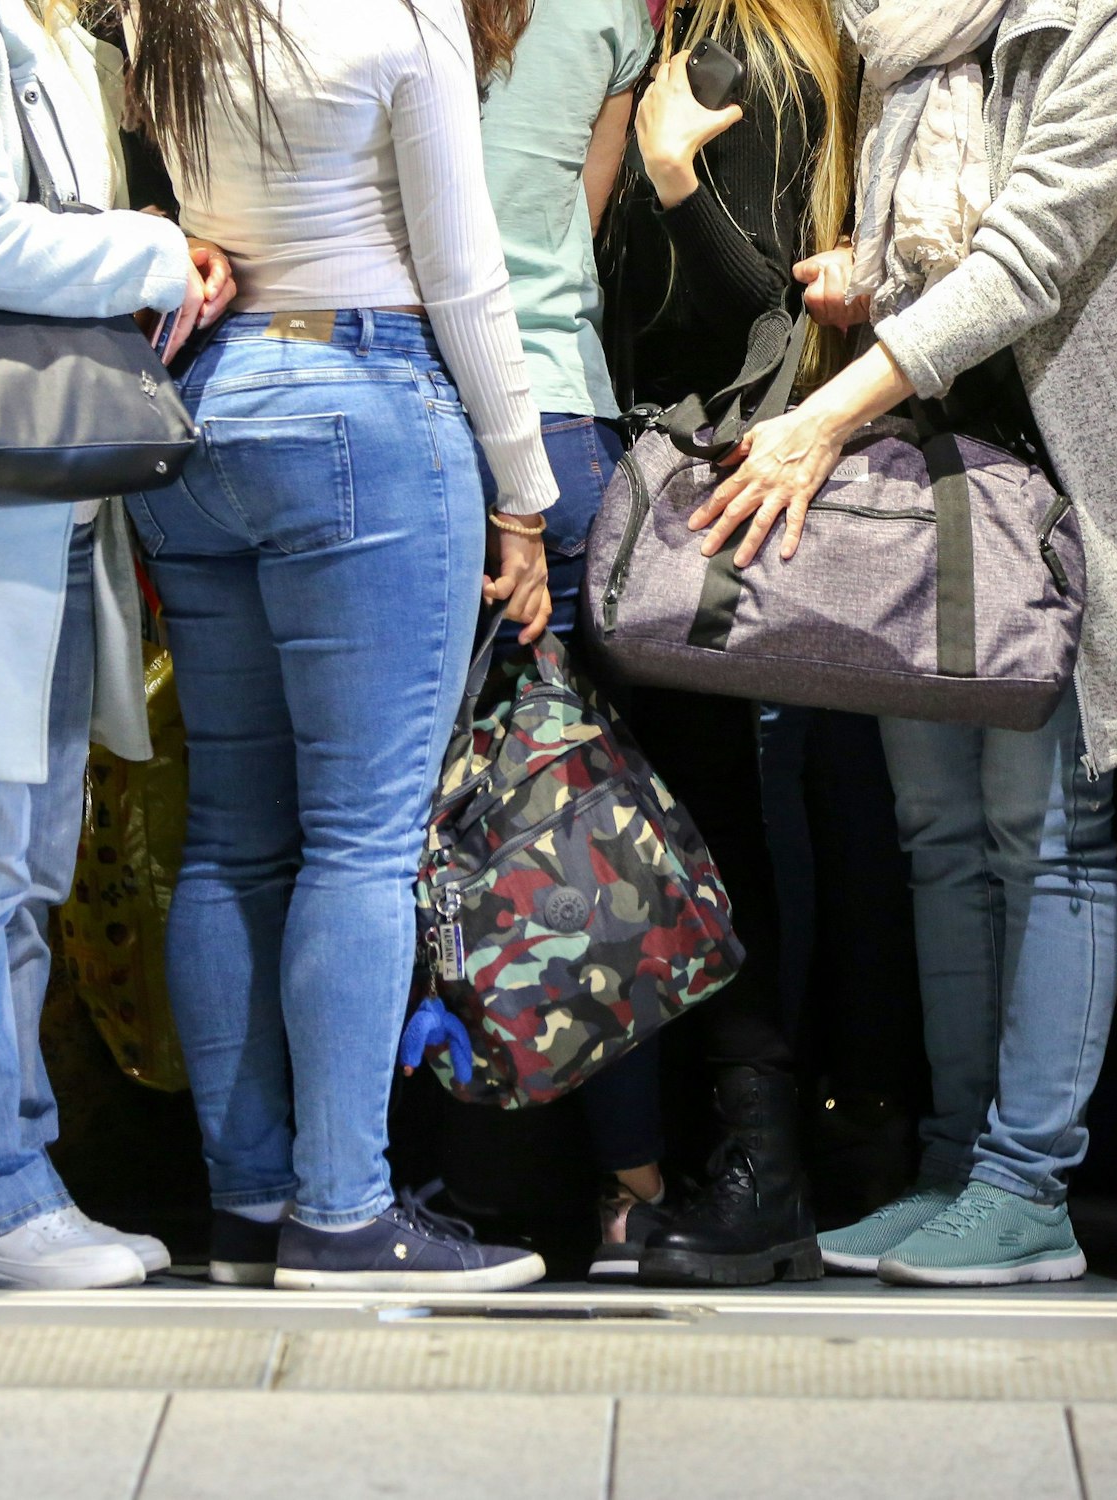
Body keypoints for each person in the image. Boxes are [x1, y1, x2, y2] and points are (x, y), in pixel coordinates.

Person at [713, 0, 1117, 1285]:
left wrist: (824, 414)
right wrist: (866, 276)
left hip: (1056, 483)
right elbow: (921, 253)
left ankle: (1025, 1184)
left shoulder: (1115, 14)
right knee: (936, 836)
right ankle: (951, 1165)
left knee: (1044, 833)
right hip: (928, 476)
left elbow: (1027, 259)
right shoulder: (908, 31)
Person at [124, 0, 556, 1292]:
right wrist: (523, 490)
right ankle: (345, 1213)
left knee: (230, 837)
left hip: (203, 412)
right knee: (362, 840)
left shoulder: (168, 18)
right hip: (359, 410)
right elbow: (464, 275)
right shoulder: (399, 19)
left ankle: (249, 1205)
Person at [0, 0, 235, 1289]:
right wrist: (152, 256)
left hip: (48, 507)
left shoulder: (54, 33)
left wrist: (156, 253)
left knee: (19, 861)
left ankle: (15, 1181)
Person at [603, 0, 852, 1288]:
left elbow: (758, 303)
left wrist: (661, 176)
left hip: (696, 485)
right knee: (717, 819)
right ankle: (735, 1158)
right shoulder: (694, 38)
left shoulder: (732, 51)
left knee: (710, 822)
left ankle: (754, 1162)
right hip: (685, 484)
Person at [475, 0, 663, 1282]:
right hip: (554, 420)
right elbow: (572, 227)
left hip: (410, 406)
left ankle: (451, 1180)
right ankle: (632, 1183)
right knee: (582, 821)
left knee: (413, 835)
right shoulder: (608, 13)